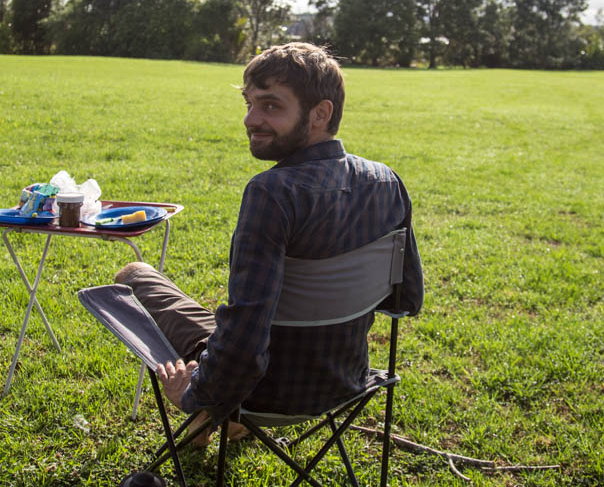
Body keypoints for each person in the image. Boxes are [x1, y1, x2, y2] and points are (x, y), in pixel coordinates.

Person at [114, 42, 424, 439]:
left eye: (271, 106)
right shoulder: (386, 182)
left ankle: (222, 418)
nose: (250, 119)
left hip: (262, 394)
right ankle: (219, 423)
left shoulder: (272, 193)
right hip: (345, 382)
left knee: (135, 274)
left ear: (320, 114)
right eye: (249, 104)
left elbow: (244, 342)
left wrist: (195, 393)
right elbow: (405, 300)